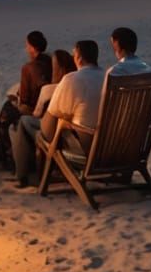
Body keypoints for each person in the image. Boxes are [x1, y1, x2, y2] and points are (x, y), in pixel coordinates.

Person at [9, 39, 109, 189]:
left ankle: (24, 176)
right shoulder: (108, 77)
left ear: (79, 58)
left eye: (74, 55)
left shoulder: (72, 79)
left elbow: (51, 120)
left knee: (27, 122)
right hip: (107, 147)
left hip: (83, 148)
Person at [0, 31, 52, 166]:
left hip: (35, 111)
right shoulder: (51, 62)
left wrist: (18, 98)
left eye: (27, 46)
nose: (26, 49)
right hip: (50, 110)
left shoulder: (28, 68)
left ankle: (11, 157)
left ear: (33, 48)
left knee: (4, 116)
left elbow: (25, 100)